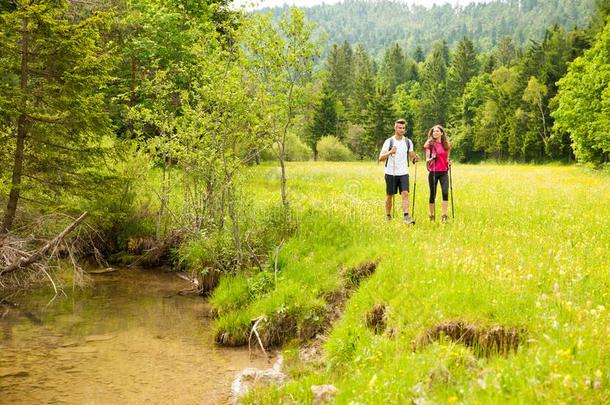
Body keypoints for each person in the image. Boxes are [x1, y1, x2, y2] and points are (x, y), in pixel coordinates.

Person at [378, 119, 420, 224]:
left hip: (404, 173)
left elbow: (412, 157)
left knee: (405, 193)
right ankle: (388, 216)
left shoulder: (408, 142)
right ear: (395, 128)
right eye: (400, 128)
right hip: (390, 172)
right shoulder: (389, 141)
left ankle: (406, 217)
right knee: (389, 195)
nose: (402, 130)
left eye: (403, 128)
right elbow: (381, 158)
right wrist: (390, 152)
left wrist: (415, 159)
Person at [424, 125, 452, 223]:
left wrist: (449, 162)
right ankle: (431, 215)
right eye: (433, 131)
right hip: (433, 172)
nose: (435, 133)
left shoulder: (446, 145)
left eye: (437, 131)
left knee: (445, 192)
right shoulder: (430, 144)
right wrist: (432, 158)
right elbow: (427, 160)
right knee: (433, 194)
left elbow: (447, 158)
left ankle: (444, 215)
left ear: (441, 133)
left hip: (444, 172)